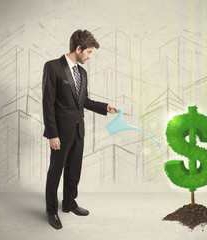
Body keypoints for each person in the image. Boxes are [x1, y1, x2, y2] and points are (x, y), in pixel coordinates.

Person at [42, 29, 118, 230]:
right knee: (55, 172)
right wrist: (52, 134)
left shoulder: (82, 73)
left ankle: (69, 203)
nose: (90, 56)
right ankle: (51, 211)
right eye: (89, 52)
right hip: (60, 133)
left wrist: (105, 107)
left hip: (78, 130)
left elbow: (83, 100)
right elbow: (48, 103)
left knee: (74, 171)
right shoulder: (53, 67)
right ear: (78, 48)